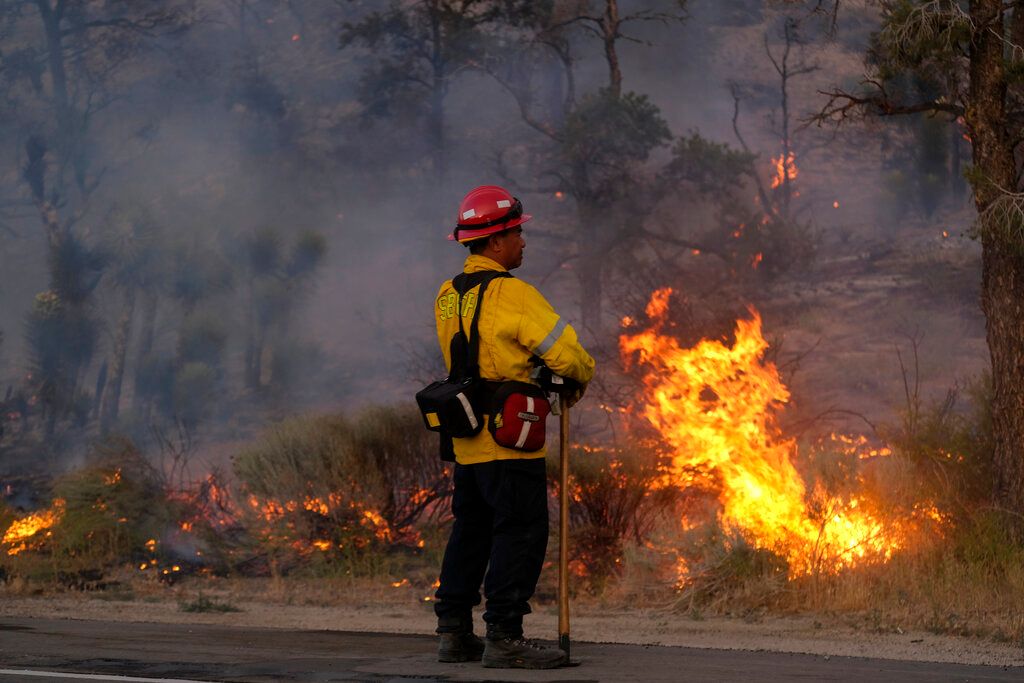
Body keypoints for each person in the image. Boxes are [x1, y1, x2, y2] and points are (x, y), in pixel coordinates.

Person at [431, 185, 595, 669]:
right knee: (520, 531)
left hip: (466, 440)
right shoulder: (514, 295)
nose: (523, 242)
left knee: (471, 532)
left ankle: (454, 633)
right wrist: (576, 374)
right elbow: (570, 356)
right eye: (517, 233)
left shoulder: (447, 295)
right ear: (496, 241)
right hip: (510, 438)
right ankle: (504, 636)